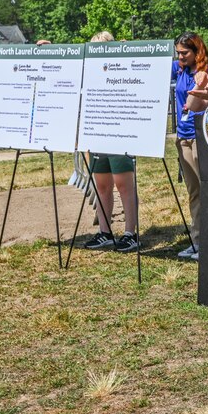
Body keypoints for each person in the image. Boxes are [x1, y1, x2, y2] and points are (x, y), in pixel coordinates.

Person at [81, 31, 140, 252]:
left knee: (124, 184)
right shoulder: (90, 71)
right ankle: (105, 232)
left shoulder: (123, 67)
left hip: (120, 132)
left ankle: (130, 233)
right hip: (97, 132)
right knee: (102, 185)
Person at [172, 32, 208, 260]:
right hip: (183, 137)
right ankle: (197, 240)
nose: (180, 57)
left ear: (197, 50)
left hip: (202, 136)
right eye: (177, 52)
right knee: (193, 191)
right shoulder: (180, 69)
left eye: (185, 53)